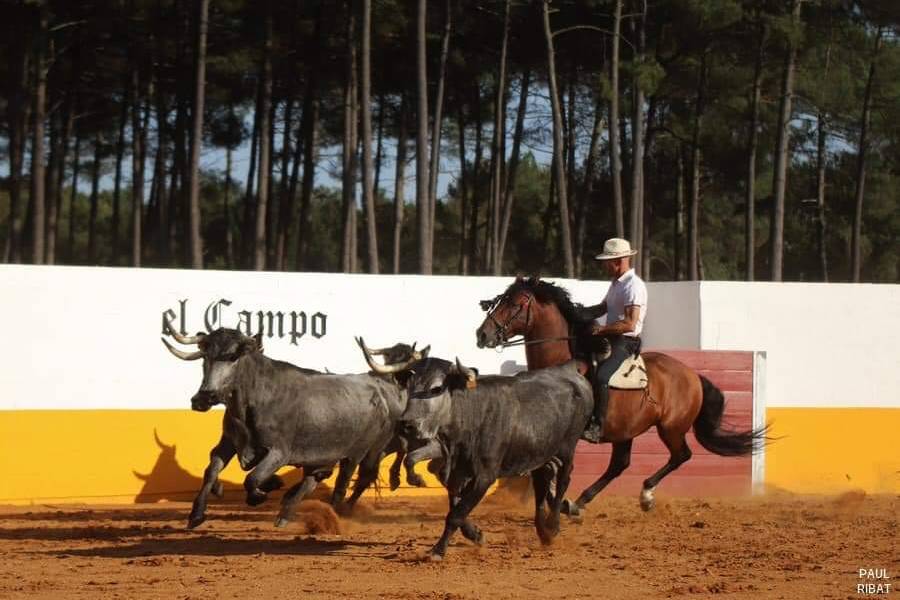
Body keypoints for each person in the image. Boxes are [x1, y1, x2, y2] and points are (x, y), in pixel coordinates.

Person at [583, 237, 647, 442]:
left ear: (617, 261)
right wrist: (577, 313)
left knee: (602, 376)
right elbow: (603, 308)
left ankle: (597, 425)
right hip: (611, 337)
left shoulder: (633, 286)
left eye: (606, 262)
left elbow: (629, 323)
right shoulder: (616, 284)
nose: (604, 266)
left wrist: (601, 330)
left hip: (625, 342)